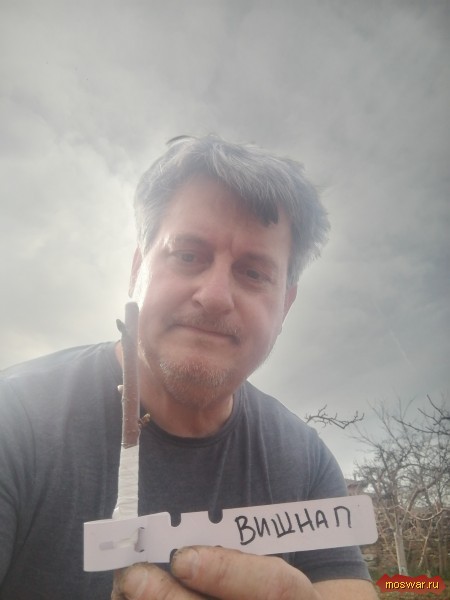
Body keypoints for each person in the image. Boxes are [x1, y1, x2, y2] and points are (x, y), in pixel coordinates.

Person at [0, 136, 377, 599]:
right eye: (187, 255)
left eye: (254, 272)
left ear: (286, 304)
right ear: (136, 270)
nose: (215, 296)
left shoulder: (305, 461)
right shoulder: (14, 420)